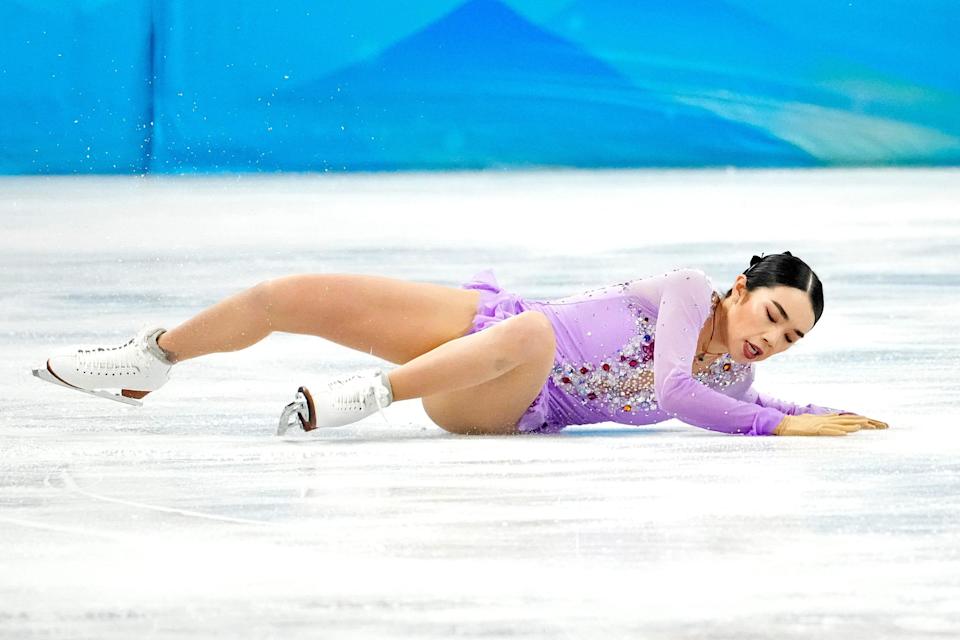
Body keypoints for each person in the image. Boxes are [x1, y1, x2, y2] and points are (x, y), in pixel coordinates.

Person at [36, 252, 888, 437]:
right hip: (489, 324)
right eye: (773, 315)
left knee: (528, 338)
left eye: (793, 337)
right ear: (741, 290)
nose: (774, 340)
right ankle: (155, 356)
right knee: (286, 293)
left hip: (507, 397)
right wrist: (778, 429)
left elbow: (719, 400)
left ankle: (370, 395)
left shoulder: (730, 382)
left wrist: (813, 414)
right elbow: (675, 389)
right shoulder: (687, 295)